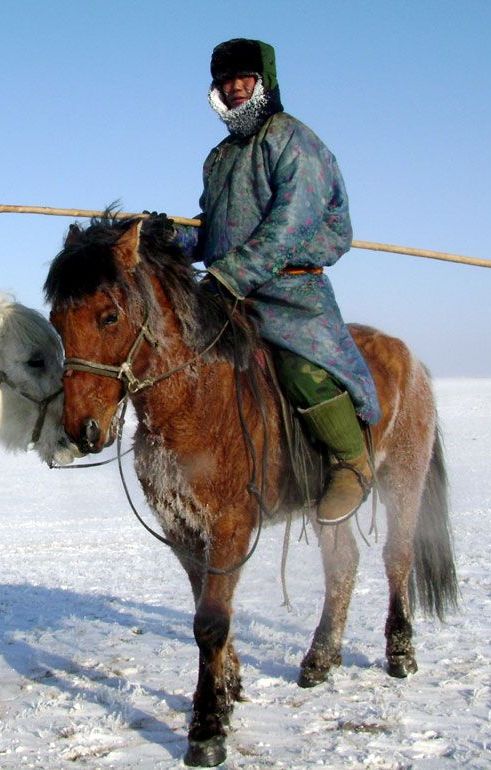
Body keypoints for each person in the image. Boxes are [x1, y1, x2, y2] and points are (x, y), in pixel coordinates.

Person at [178, 38, 381, 525]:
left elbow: (287, 228)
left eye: (242, 79)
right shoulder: (220, 157)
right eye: (225, 82)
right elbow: (213, 229)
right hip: (232, 294)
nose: (233, 89)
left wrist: (229, 274)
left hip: (291, 294)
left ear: (263, 80)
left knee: (296, 370)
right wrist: (166, 237)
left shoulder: (295, 141)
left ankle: (352, 463)